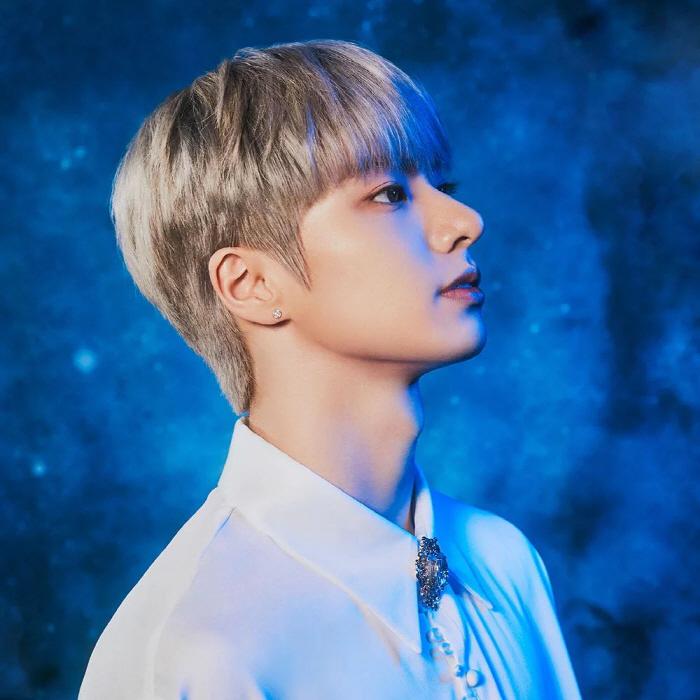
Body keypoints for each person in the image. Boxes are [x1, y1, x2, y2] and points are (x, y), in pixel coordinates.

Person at [78, 38, 582, 699]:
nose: (465, 221)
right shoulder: (196, 649)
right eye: (389, 194)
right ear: (251, 283)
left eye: (443, 186)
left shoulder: (502, 560)